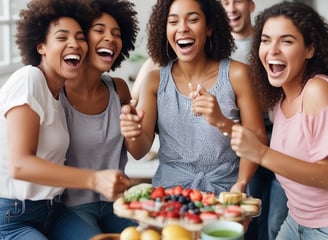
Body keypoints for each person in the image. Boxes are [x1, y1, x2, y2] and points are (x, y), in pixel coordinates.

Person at [0, 0, 128, 239]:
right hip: (13, 217)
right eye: (62, 37)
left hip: (54, 210)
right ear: (41, 46)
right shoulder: (29, 79)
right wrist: (93, 179)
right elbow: (19, 164)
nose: (75, 44)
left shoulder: (57, 95)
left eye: (80, 37)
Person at [120, 0, 267, 195]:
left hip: (225, 193)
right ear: (164, 30)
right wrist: (132, 132)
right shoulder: (153, 81)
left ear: (209, 27)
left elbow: (257, 139)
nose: (182, 28)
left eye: (193, 20)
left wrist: (240, 184)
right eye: (173, 22)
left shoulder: (238, 74)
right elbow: (139, 152)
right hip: (169, 195)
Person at [230, 1, 328, 239]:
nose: (272, 50)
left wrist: (261, 154)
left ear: (310, 49)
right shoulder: (280, 100)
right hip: (296, 221)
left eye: (286, 41)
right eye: (265, 40)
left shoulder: (316, 90)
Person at [60, 0, 139, 234]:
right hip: (70, 209)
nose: (110, 38)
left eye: (116, 33)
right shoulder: (55, 92)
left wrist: (133, 129)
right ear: (81, 39)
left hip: (118, 204)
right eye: (99, 30)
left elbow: (138, 150)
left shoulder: (119, 88)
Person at [220, 1, 288, 239]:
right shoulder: (219, 49)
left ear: (250, 5)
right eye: (224, 2)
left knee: (277, 218)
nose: (231, 8)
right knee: (251, 212)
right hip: (245, 135)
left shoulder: (266, 41)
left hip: (280, 130)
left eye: (237, 0)